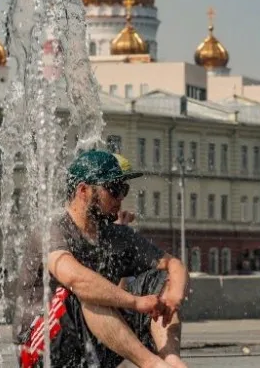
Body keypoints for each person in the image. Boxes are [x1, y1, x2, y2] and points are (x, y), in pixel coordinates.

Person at [14, 149, 189, 368]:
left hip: (92, 343)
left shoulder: (115, 235)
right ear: (83, 190)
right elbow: (75, 279)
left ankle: (171, 361)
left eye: (123, 189)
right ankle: (153, 365)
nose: (120, 199)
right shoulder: (51, 229)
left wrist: (173, 295)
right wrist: (136, 302)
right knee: (88, 290)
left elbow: (173, 264)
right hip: (44, 347)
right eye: (114, 189)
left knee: (159, 277)